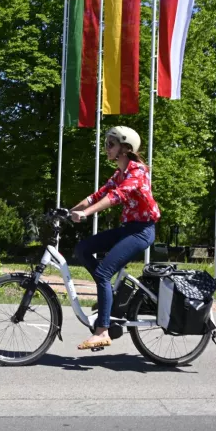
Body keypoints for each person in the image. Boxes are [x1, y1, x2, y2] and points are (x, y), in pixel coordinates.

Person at [69, 126, 160, 350]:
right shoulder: (119, 174)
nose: (106, 148)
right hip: (127, 228)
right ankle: (106, 293)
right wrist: (68, 212)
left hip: (142, 231)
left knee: (103, 272)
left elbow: (117, 196)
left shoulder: (137, 171)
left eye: (111, 144)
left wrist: (86, 214)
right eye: (106, 143)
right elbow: (97, 196)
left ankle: (102, 331)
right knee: (82, 249)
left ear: (125, 148)